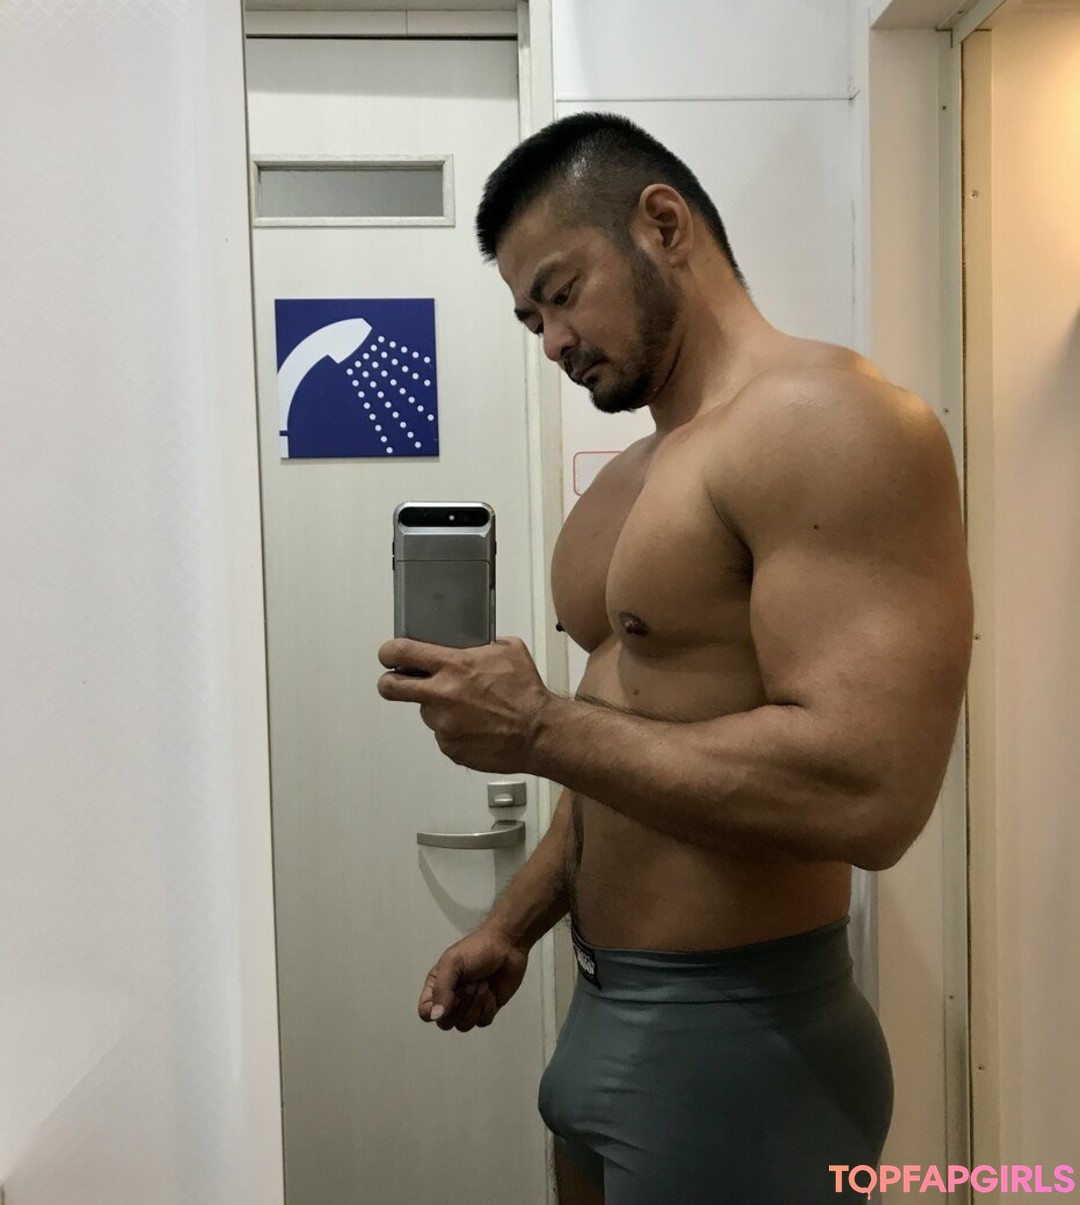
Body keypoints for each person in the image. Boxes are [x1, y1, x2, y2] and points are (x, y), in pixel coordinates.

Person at [377, 113, 973, 1205]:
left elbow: (871, 790)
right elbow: (632, 741)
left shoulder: (831, 421)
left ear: (663, 224)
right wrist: (513, 923)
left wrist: (539, 725)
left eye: (562, 292)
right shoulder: (634, 477)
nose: (552, 340)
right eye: (531, 318)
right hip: (600, 1015)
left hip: (745, 1050)